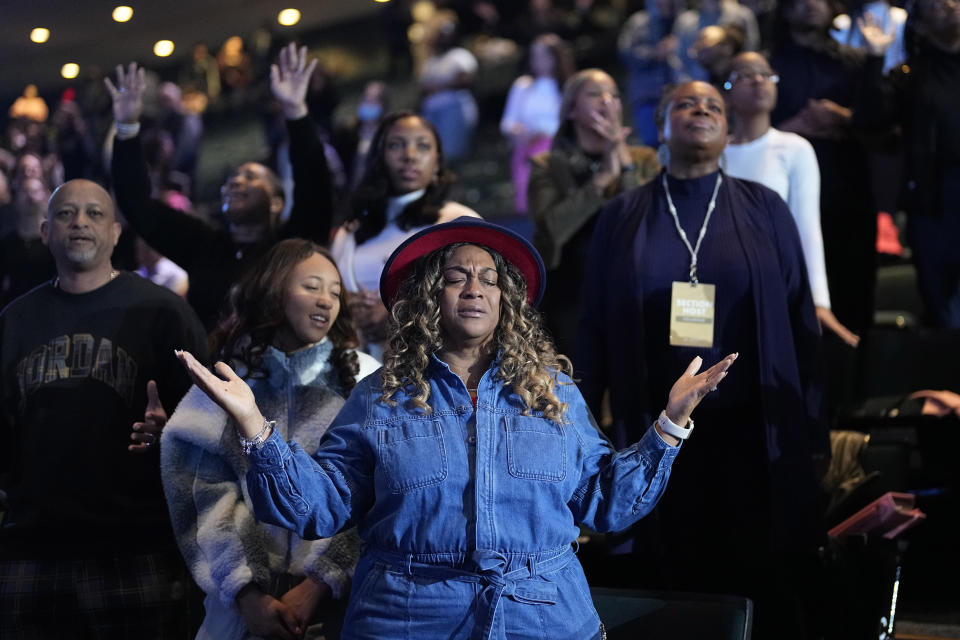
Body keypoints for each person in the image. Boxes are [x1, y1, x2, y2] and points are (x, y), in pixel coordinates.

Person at [175, 215, 738, 640]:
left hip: (543, 621)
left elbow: (603, 503)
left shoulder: (553, 393)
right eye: (457, 277)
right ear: (428, 296)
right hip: (407, 622)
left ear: (506, 301)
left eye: (490, 279)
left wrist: (669, 425)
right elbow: (319, 508)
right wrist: (255, 426)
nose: (475, 287)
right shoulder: (380, 396)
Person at [577, 81, 828, 639]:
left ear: (728, 127)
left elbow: (799, 321)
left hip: (752, 431)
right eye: (685, 104)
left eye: (713, 104)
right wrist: (584, 431)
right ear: (660, 127)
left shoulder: (764, 206)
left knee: (759, 573)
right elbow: (592, 325)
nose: (701, 111)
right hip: (654, 432)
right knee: (671, 580)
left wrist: (812, 431)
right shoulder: (621, 216)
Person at [0, 179, 208, 637]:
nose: (80, 222)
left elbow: (212, 426)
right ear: (44, 232)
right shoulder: (14, 321)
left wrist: (170, 429)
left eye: (95, 214)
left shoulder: (164, 312)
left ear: (116, 233)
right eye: (66, 214)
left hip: (137, 547)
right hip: (32, 548)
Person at [161, 239, 379, 640]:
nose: (326, 301)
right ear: (274, 289)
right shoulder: (227, 380)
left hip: (342, 608)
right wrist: (247, 593)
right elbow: (201, 492)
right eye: (312, 286)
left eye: (335, 292)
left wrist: (321, 583)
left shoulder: (365, 378)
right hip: (241, 613)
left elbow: (377, 493)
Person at [107, 43, 335, 328]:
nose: (236, 181)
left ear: (276, 201)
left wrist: (295, 111)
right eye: (232, 178)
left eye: (251, 177)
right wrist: (127, 127)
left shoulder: (293, 247)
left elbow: (314, 182)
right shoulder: (204, 245)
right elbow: (136, 204)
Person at [723, 51, 860, 347]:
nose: (759, 80)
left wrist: (819, 300)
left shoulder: (794, 149)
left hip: (770, 282)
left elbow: (807, 228)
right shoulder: (713, 153)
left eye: (766, 74)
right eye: (746, 75)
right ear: (727, 92)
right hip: (715, 281)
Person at [528, 68, 659, 358]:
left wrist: (622, 162)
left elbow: (648, 222)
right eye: (595, 94)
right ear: (571, 109)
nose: (607, 100)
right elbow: (551, 229)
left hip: (632, 291)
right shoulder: (547, 164)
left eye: (613, 94)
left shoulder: (644, 159)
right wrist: (602, 179)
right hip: (571, 297)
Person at [329, 110, 480, 360]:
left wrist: (397, 313)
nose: (409, 156)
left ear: (437, 162)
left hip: (435, 369)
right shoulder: (350, 231)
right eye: (396, 145)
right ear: (379, 158)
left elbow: (480, 300)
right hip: (360, 370)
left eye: (422, 146)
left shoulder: (459, 222)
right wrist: (345, 310)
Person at [854, 0, 960, 328]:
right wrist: (875, 57)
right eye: (936, 5)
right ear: (922, 24)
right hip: (935, 202)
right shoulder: (911, 75)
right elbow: (870, 119)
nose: (949, 5)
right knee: (944, 310)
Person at [499, 33, 574, 213]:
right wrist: (518, 132)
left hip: (556, 152)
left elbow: (568, 124)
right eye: (535, 55)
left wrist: (543, 132)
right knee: (528, 203)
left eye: (544, 55)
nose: (539, 61)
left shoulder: (568, 87)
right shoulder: (523, 85)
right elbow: (508, 122)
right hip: (526, 152)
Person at [618, 0, 687, 146]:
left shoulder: (686, 22)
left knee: (680, 144)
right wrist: (655, 53)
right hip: (647, 96)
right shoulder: (639, 22)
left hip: (681, 95)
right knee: (650, 143)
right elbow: (626, 52)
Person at [418, 10, 479, 161]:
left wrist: (439, 86)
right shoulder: (430, 62)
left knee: (453, 154)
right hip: (433, 114)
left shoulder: (460, 55)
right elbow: (424, 88)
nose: (442, 38)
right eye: (440, 34)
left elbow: (466, 81)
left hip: (455, 110)